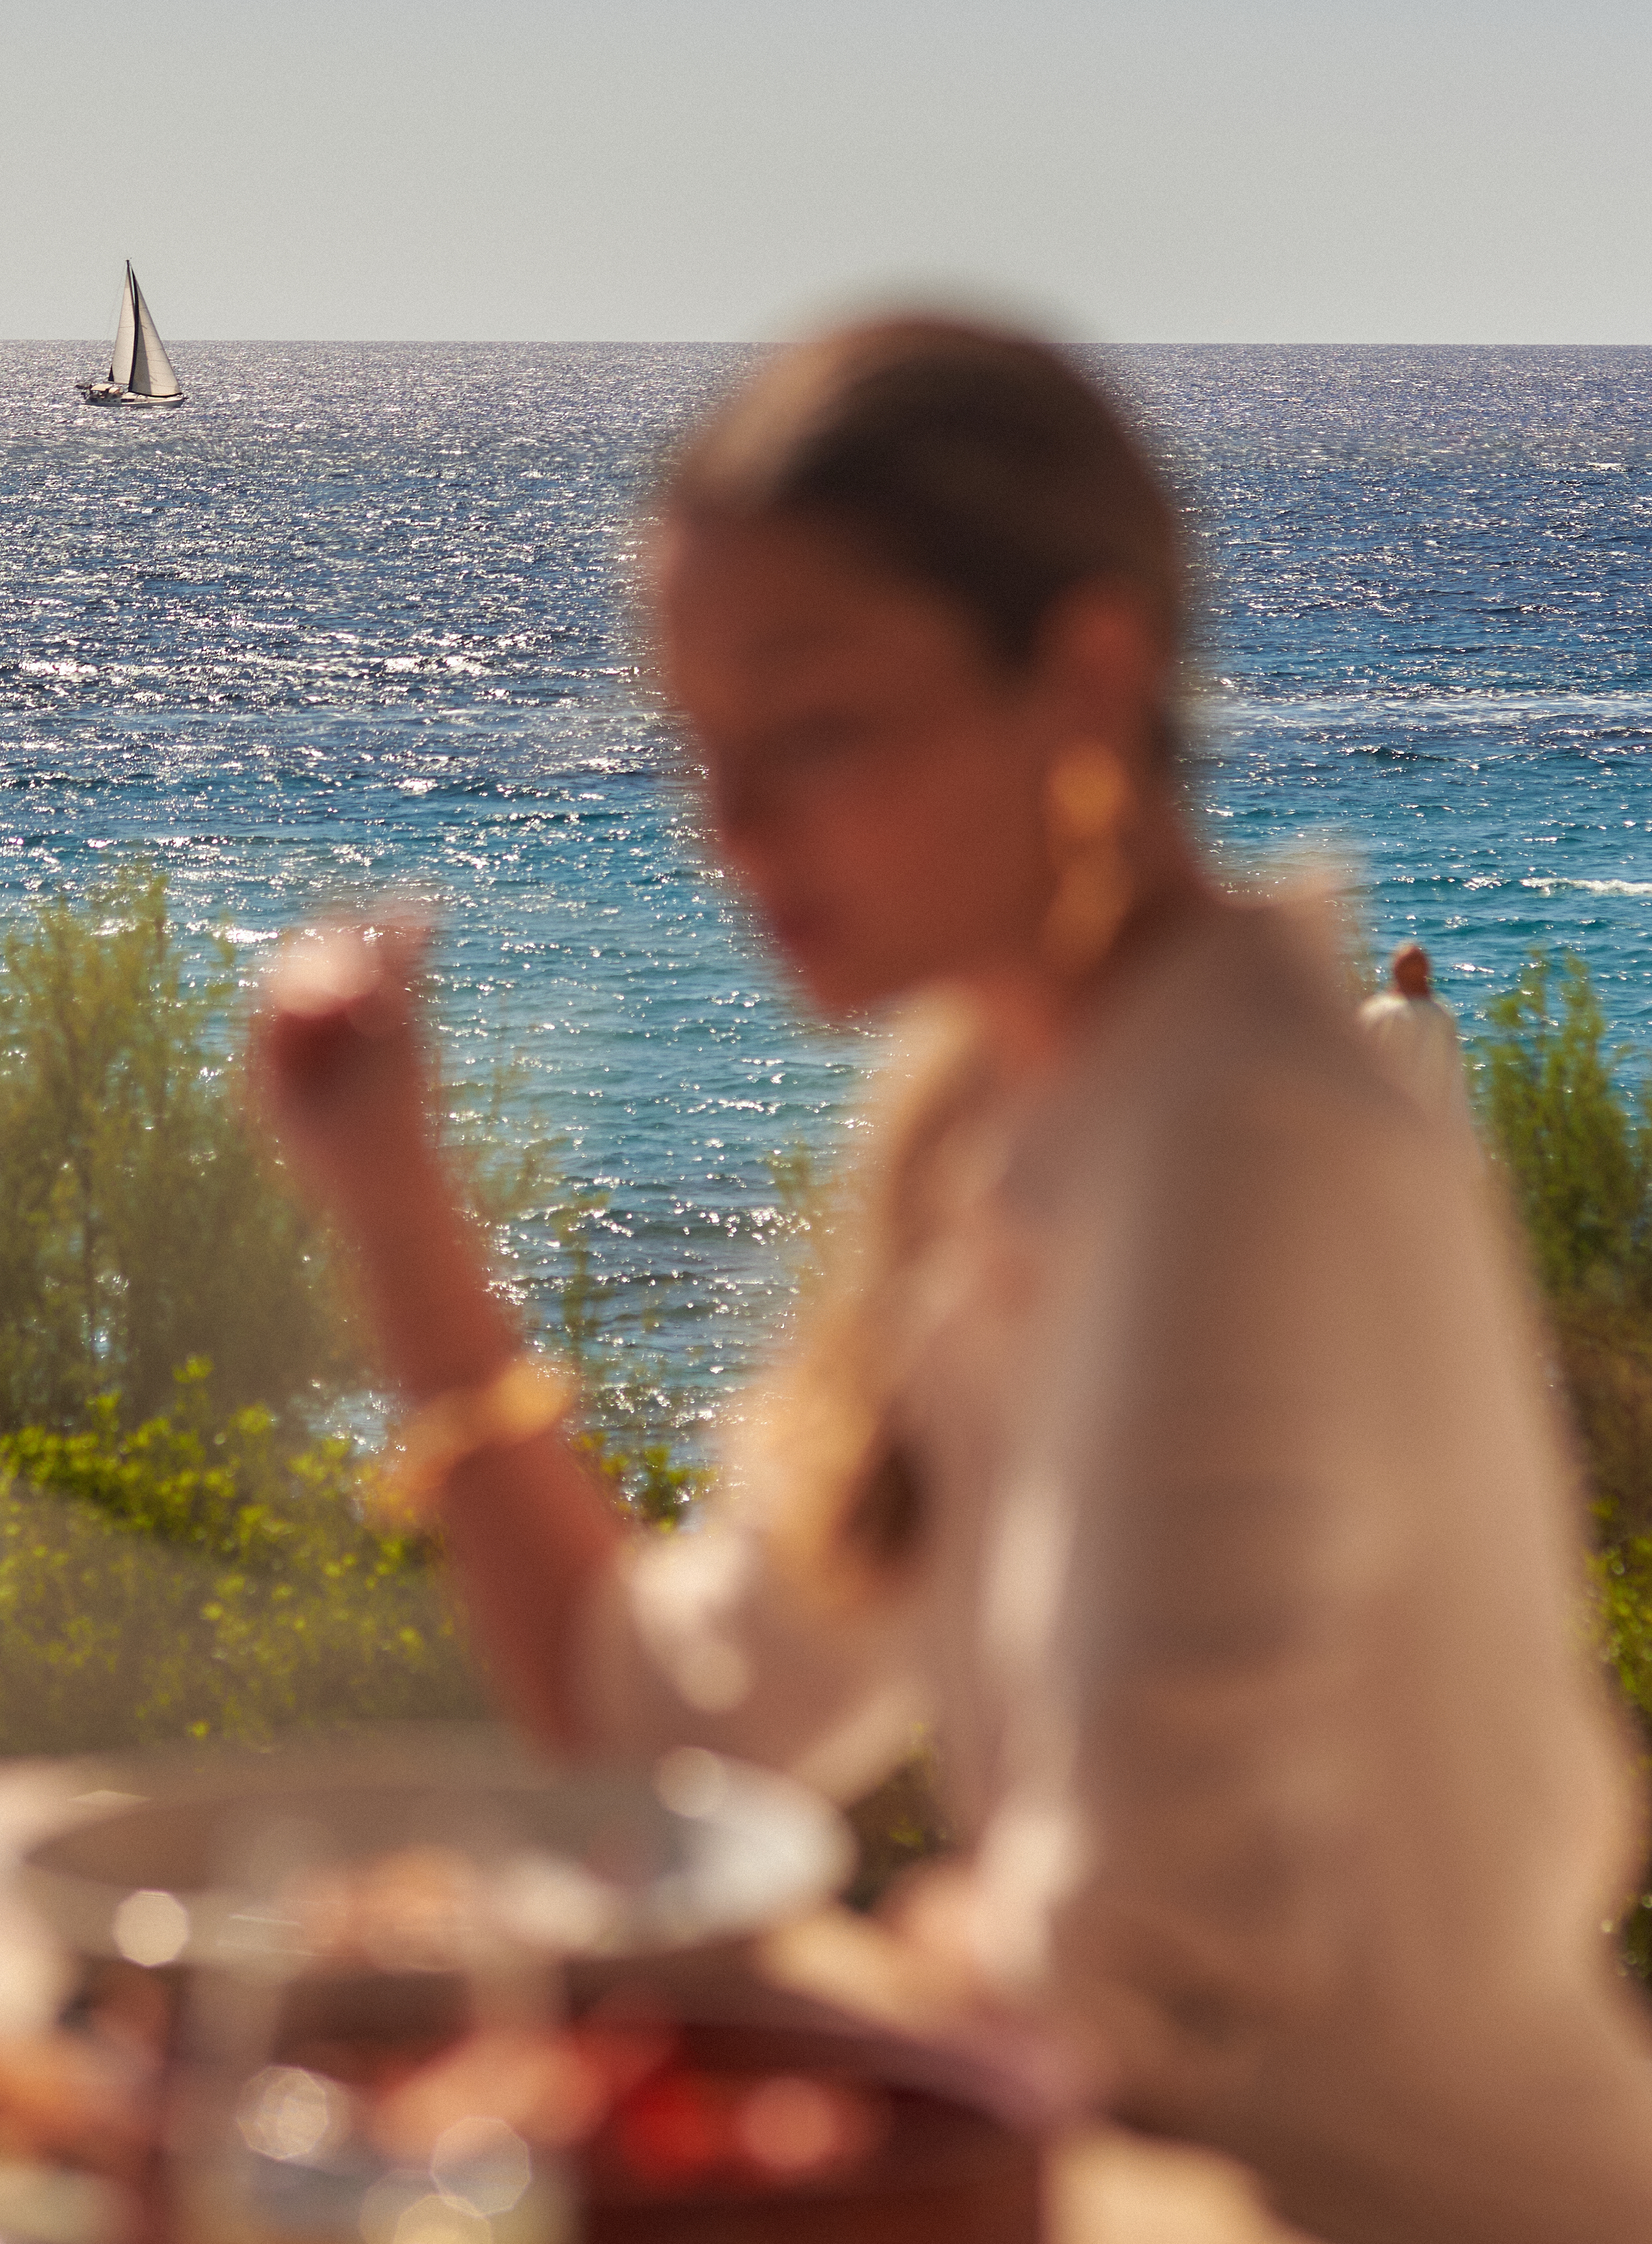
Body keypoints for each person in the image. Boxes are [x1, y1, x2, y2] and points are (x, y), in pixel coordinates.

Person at [254, 314, 1652, 2244]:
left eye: (811, 731)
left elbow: (1114, 1951)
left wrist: (532, 1998)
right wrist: (388, 1197)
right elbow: (663, 1723)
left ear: (1081, 679)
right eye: (702, 750)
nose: (726, 831)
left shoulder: (1251, 1144)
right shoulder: (986, 1134)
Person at [1358, 940, 1474, 1133]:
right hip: (1430, 1130)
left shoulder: (1374, 1012)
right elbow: (1453, 1087)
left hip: (1381, 1126)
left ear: (1395, 973)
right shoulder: (1442, 1015)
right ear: (1426, 974)